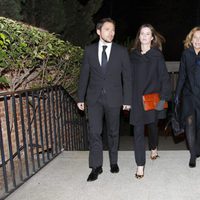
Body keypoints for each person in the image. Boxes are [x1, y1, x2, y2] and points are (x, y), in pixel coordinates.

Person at [77, 18, 132, 182]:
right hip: (94, 99)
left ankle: (113, 162)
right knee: (94, 132)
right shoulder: (89, 51)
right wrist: (80, 97)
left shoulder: (121, 51)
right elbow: (84, 75)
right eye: (107, 29)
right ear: (99, 32)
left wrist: (127, 100)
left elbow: (127, 78)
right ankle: (96, 166)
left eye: (113, 30)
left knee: (113, 132)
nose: (111, 33)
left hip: (115, 98)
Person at [129, 24, 171, 179]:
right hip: (136, 100)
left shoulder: (156, 55)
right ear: (139, 37)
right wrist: (127, 99)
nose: (145, 36)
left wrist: (163, 100)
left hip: (153, 99)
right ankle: (140, 166)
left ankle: (153, 147)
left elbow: (164, 78)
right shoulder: (132, 56)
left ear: (152, 37)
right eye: (142, 33)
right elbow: (128, 79)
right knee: (138, 132)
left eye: (148, 34)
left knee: (152, 127)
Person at [175, 26, 200, 168]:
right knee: (190, 121)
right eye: (195, 38)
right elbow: (182, 76)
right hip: (189, 94)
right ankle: (192, 155)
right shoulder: (186, 54)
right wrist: (177, 95)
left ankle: (197, 148)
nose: (198, 41)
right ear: (191, 39)